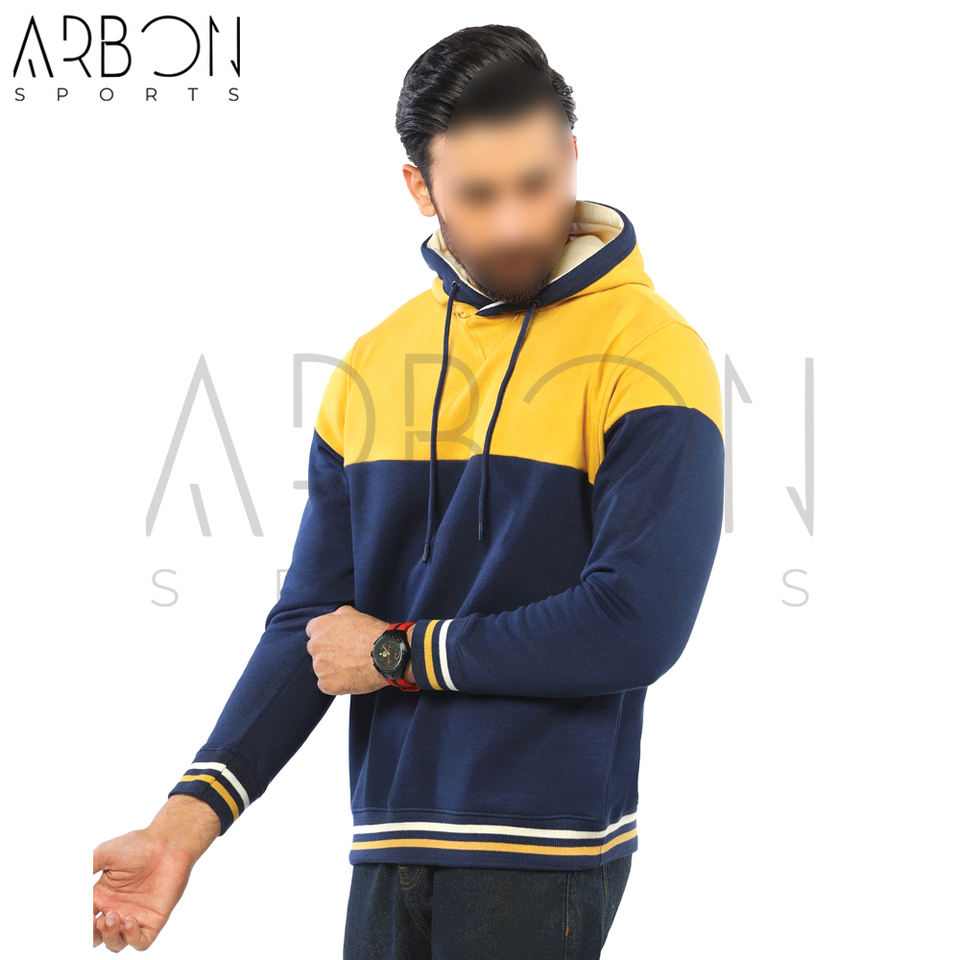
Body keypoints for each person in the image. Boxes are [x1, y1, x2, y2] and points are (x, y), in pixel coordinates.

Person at [93, 24, 724, 958]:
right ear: (419, 189)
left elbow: (636, 624)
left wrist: (395, 653)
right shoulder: (374, 363)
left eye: (536, 184)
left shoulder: (652, 353)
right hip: (388, 843)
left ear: (571, 157)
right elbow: (312, 626)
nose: (513, 223)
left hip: (541, 854)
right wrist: (183, 825)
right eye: (478, 194)